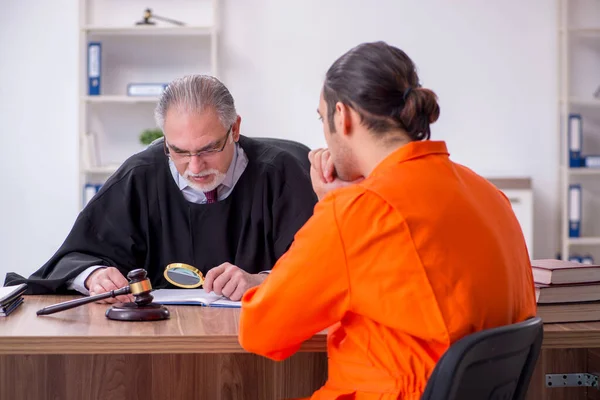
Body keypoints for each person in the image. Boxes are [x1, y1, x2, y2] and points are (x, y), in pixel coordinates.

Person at [238, 41, 537, 399]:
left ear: (342, 116)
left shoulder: (358, 213)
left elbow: (260, 331)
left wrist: (332, 213)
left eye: (322, 118)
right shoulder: (489, 194)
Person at [4, 75, 318, 302]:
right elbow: (74, 256)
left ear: (235, 128)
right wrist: (95, 275)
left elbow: (322, 269)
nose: (195, 168)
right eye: (179, 151)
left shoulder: (284, 172)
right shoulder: (140, 175)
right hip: (155, 345)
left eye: (208, 149)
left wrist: (263, 281)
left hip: (261, 350)